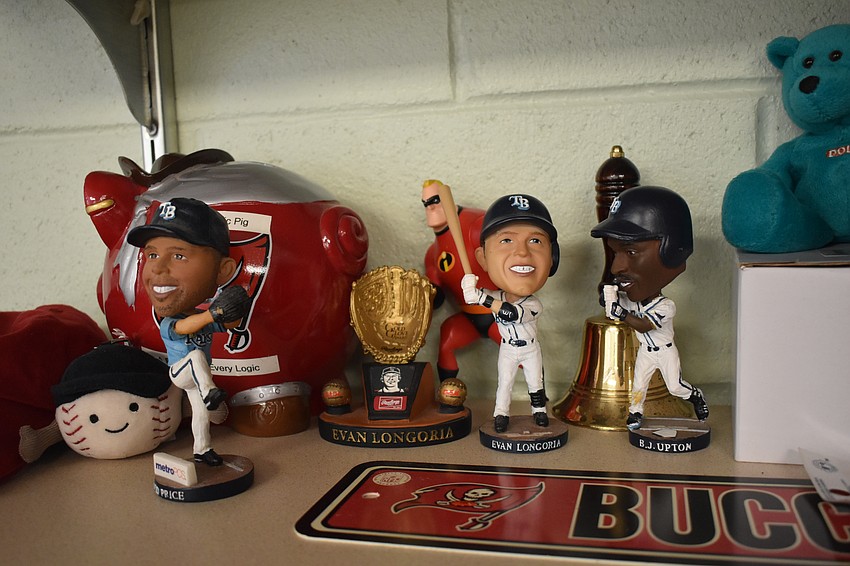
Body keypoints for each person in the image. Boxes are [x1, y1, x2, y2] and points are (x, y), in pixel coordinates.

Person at [127, 197, 250, 466]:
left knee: (201, 416)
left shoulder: (202, 317)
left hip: (197, 377)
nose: (157, 267)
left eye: (178, 255)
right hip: (180, 372)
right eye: (152, 255)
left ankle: (202, 449)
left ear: (223, 271)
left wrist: (234, 308)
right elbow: (185, 327)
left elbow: (226, 325)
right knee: (195, 356)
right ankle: (210, 392)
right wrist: (211, 314)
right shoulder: (172, 322)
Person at [590, 186, 709, 431]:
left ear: (671, 251)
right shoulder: (632, 301)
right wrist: (610, 298)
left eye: (631, 251)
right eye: (615, 252)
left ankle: (695, 396)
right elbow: (616, 310)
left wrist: (621, 312)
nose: (616, 268)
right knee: (638, 386)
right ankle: (635, 414)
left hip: (665, 352)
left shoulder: (666, 306)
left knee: (675, 387)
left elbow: (644, 324)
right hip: (646, 351)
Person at [460, 194, 559, 433]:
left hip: (530, 349)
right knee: (504, 384)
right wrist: (469, 289)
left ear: (553, 257)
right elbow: (474, 298)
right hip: (508, 349)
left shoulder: (533, 304)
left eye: (535, 240)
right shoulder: (493, 295)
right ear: (483, 258)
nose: (522, 253)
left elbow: (510, 313)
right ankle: (501, 414)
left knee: (535, 383)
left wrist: (481, 298)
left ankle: (539, 412)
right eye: (506, 240)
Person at [421, 180, 502, 383]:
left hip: (499, 311)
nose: (431, 207)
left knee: (521, 352)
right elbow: (437, 296)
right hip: (469, 318)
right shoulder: (433, 254)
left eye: (435, 200)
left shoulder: (477, 223)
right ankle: (446, 392)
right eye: (426, 203)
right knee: (447, 338)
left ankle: (539, 395)